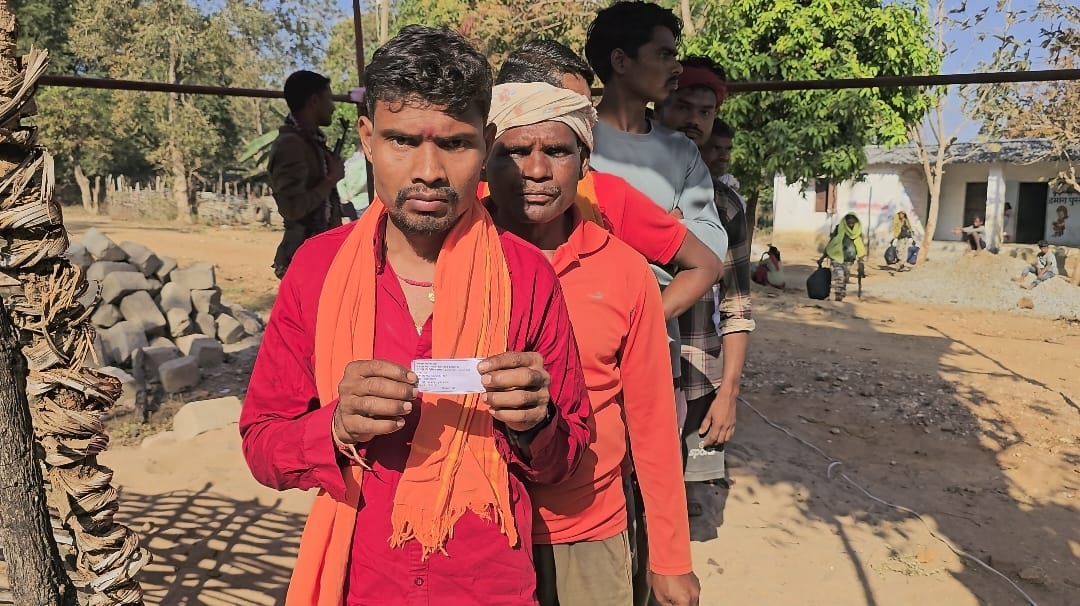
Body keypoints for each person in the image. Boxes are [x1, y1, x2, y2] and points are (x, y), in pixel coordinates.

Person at [240, 26, 592, 606]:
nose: (429, 171)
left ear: (485, 144)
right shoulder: (317, 270)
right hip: (361, 581)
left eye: (454, 144)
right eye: (403, 141)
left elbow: (567, 454)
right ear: (367, 139)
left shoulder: (526, 276)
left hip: (489, 585)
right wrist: (332, 426)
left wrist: (536, 423)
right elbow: (262, 443)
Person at [485, 81, 700, 606]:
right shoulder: (451, 257)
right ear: (486, 163)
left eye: (557, 151)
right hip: (479, 528)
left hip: (587, 527)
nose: (536, 170)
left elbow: (650, 421)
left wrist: (671, 559)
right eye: (514, 151)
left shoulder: (624, 271)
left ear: (585, 162)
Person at [494, 39, 722, 336]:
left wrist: (635, 326)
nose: (583, 125)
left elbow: (704, 264)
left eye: (585, 111)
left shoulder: (605, 195)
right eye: (569, 108)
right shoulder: (459, 202)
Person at [662, 114, 756, 511]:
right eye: (686, 107)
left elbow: (737, 304)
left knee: (682, 486)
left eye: (705, 111)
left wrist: (729, 392)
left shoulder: (728, 207)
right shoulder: (626, 191)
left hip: (699, 366)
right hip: (637, 365)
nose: (694, 121)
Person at [267, 70, 346, 278]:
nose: (333, 107)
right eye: (328, 99)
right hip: (304, 260)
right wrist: (330, 180)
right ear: (314, 101)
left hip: (319, 254)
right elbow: (292, 208)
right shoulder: (291, 145)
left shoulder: (311, 143)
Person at [823, 212, 867, 302]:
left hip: (849, 259)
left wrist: (861, 260)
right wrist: (823, 255)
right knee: (840, 276)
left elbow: (860, 246)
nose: (851, 225)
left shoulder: (857, 232)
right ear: (845, 222)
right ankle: (838, 296)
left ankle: (841, 294)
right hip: (837, 257)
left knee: (845, 277)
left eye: (852, 223)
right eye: (849, 223)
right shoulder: (839, 229)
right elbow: (832, 242)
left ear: (855, 222)